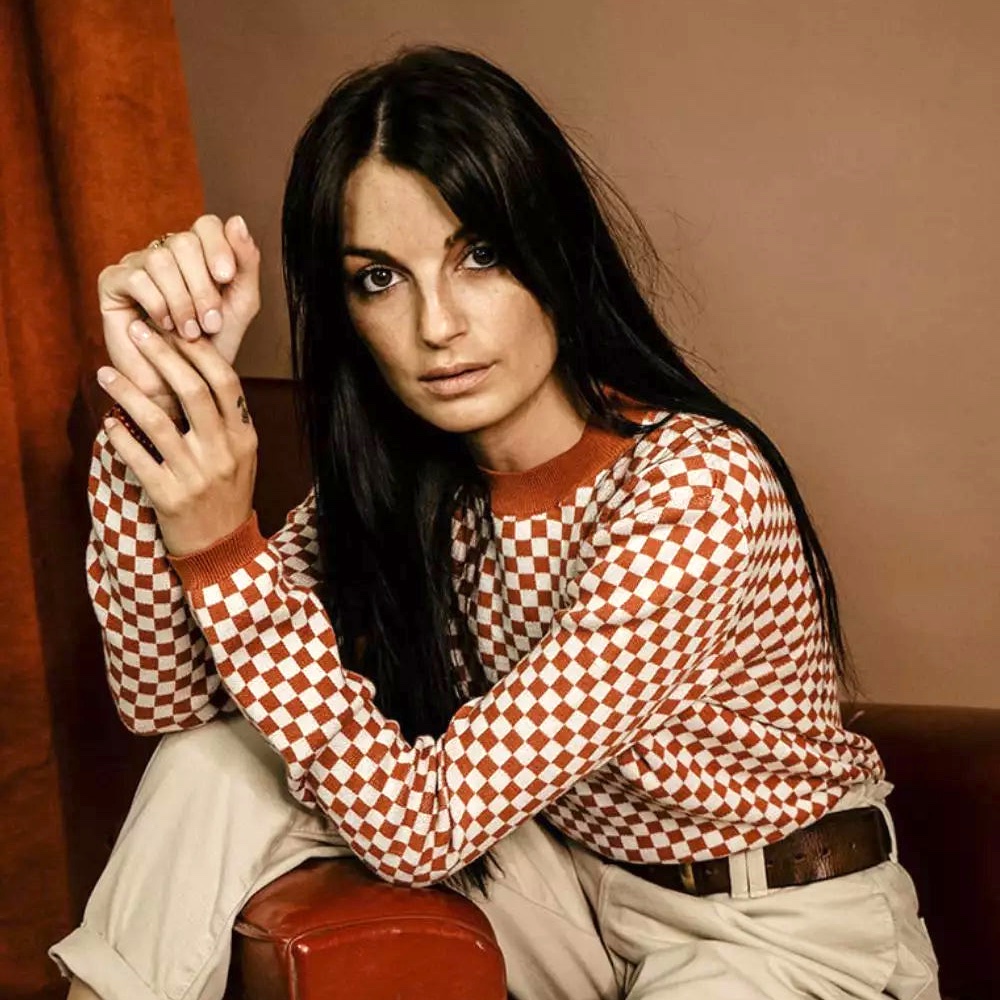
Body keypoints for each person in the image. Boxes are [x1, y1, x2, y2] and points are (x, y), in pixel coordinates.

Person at [51, 45, 939, 1000]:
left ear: (550, 247)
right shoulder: (413, 486)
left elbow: (422, 827)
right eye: (379, 278)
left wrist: (227, 553)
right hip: (569, 892)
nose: (437, 326)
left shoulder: (696, 488)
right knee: (213, 762)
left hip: (773, 926)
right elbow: (171, 700)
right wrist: (165, 389)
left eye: (478, 255)